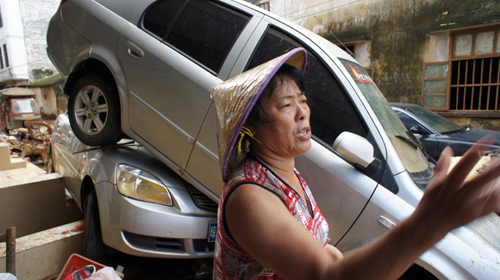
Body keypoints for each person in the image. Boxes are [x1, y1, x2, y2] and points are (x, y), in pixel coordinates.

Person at [210, 48, 500, 280]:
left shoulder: (285, 172)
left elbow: (324, 253)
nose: (302, 113)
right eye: (286, 105)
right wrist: (431, 222)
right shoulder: (250, 196)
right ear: (251, 126)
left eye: (303, 100)